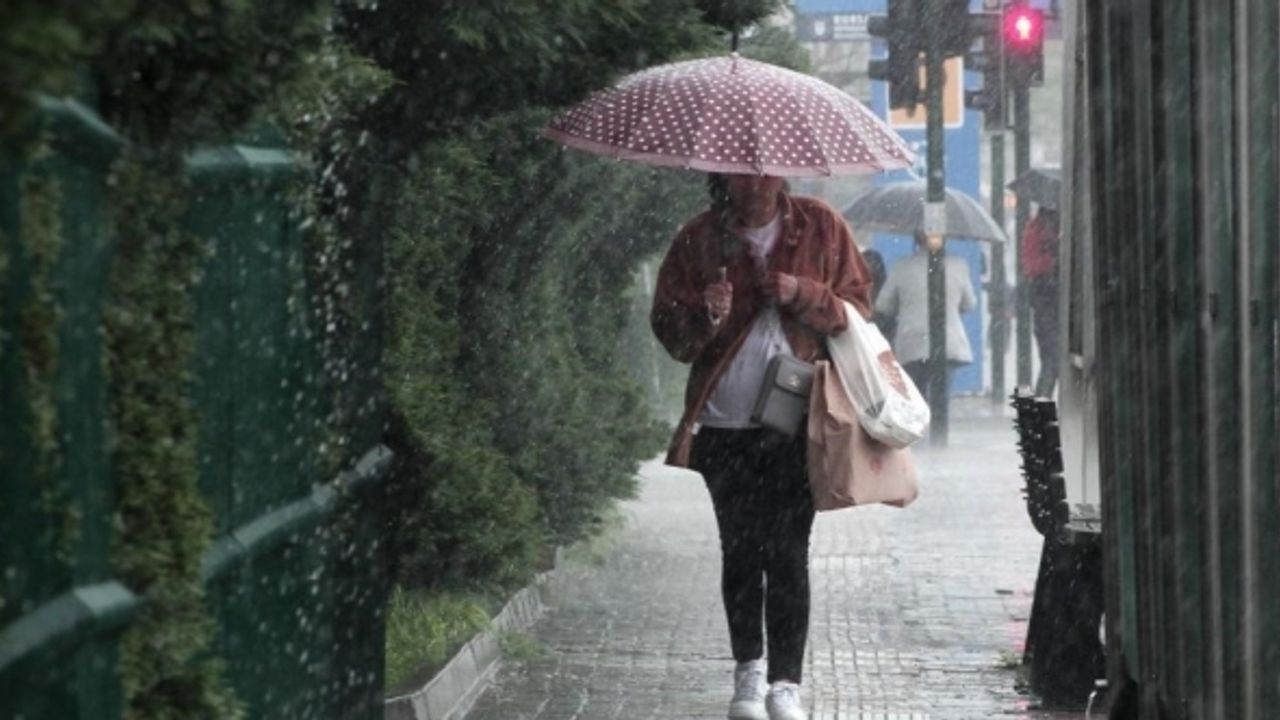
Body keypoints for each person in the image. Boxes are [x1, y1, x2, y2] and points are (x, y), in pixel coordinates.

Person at [650, 173, 872, 720]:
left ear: (782, 173)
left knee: (789, 551)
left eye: (765, 170)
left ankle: (785, 684)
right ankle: (748, 675)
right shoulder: (699, 239)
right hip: (724, 425)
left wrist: (806, 295)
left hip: (797, 423)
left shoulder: (820, 226)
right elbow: (670, 332)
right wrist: (704, 313)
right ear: (723, 177)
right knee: (741, 551)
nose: (755, 182)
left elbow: (859, 311)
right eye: (742, 172)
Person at [873, 231, 977, 407]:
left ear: (916, 240)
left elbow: (883, 306)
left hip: (911, 341)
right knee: (941, 395)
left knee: (916, 395)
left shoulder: (902, 266)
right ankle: (939, 430)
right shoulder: (958, 265)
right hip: (948, 340)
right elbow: (969, 304)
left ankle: (922, 426)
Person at [1023, 206, 1060, 397]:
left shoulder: (1035, 229)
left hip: (1043, 302)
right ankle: (1041, 410)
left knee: (1050, 361)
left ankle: (1040, 411)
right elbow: (1034, 265)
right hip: (1048, 301)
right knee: (1052, 362)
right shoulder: (1040, 232)